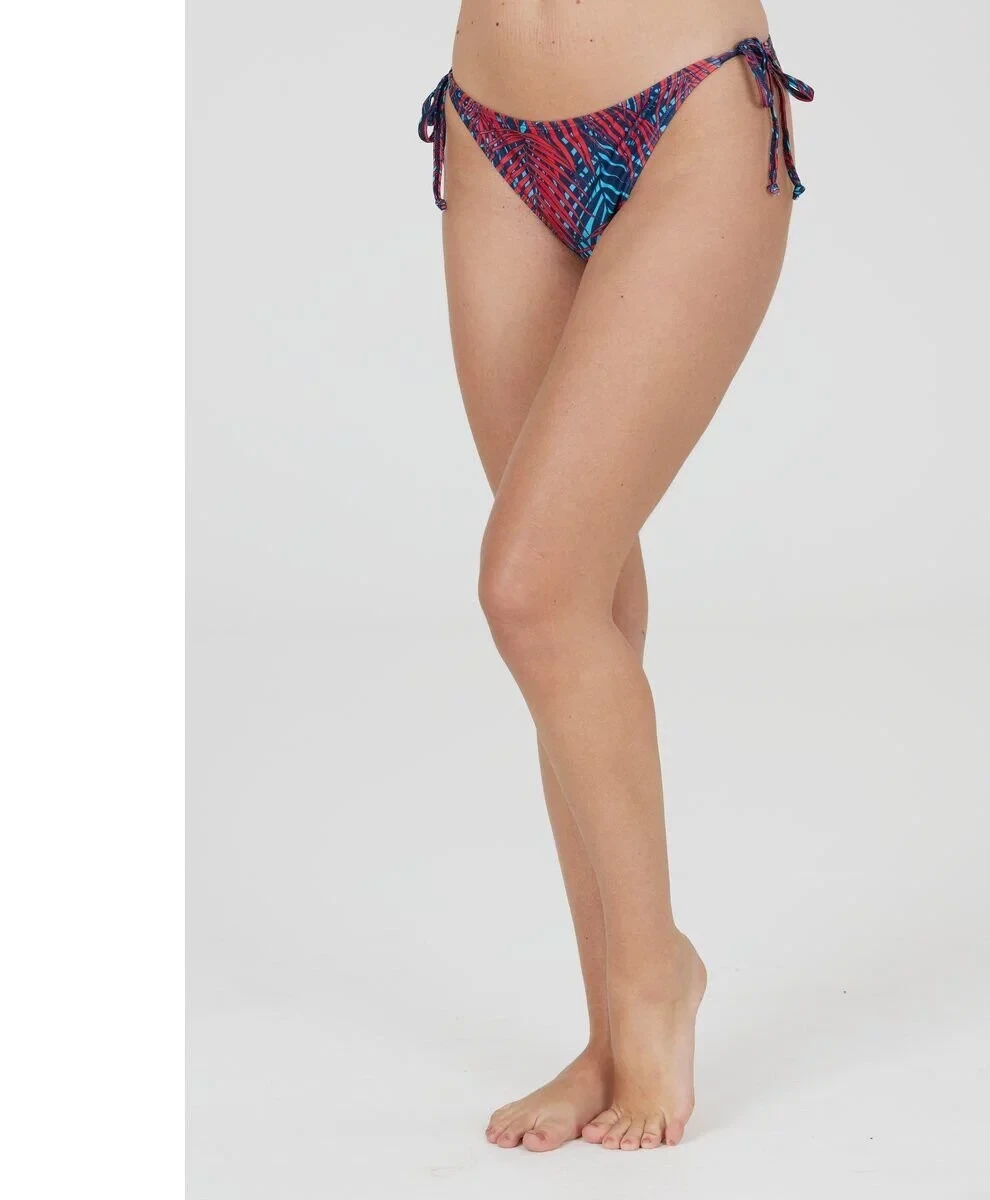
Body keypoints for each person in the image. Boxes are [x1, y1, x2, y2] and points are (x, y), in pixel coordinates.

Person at [418, 0, 813, 1153]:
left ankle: (655, 978)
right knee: (575, 607)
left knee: (531, 589)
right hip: (494, 127)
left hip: (686, 110)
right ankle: (606, 1028)